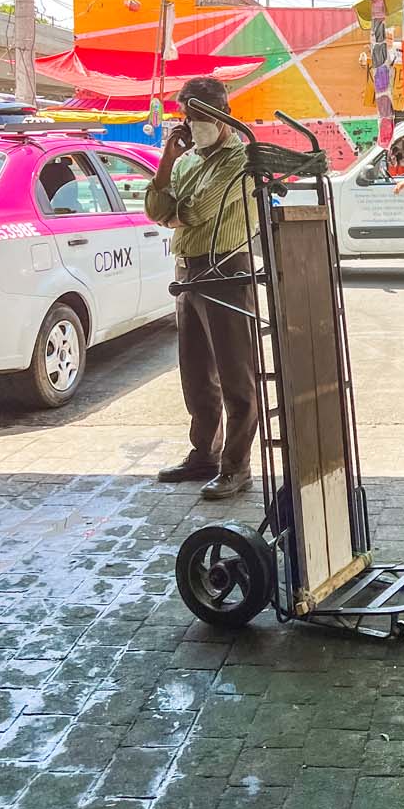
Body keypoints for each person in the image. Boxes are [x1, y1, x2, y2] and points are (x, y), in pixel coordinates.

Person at [144, 76, 259, 501]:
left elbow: (194, 210)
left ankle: (236, 466)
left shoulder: (240, 157)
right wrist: (167, 162)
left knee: (235, 373)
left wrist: (175, 212)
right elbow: (158, 210)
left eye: (202, 117)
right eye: (188, 118)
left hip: (227, 268)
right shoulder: (189, 160)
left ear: (222, 114)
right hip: (189, 271)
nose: (194, 125)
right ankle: (204, 454)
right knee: (195, 373)